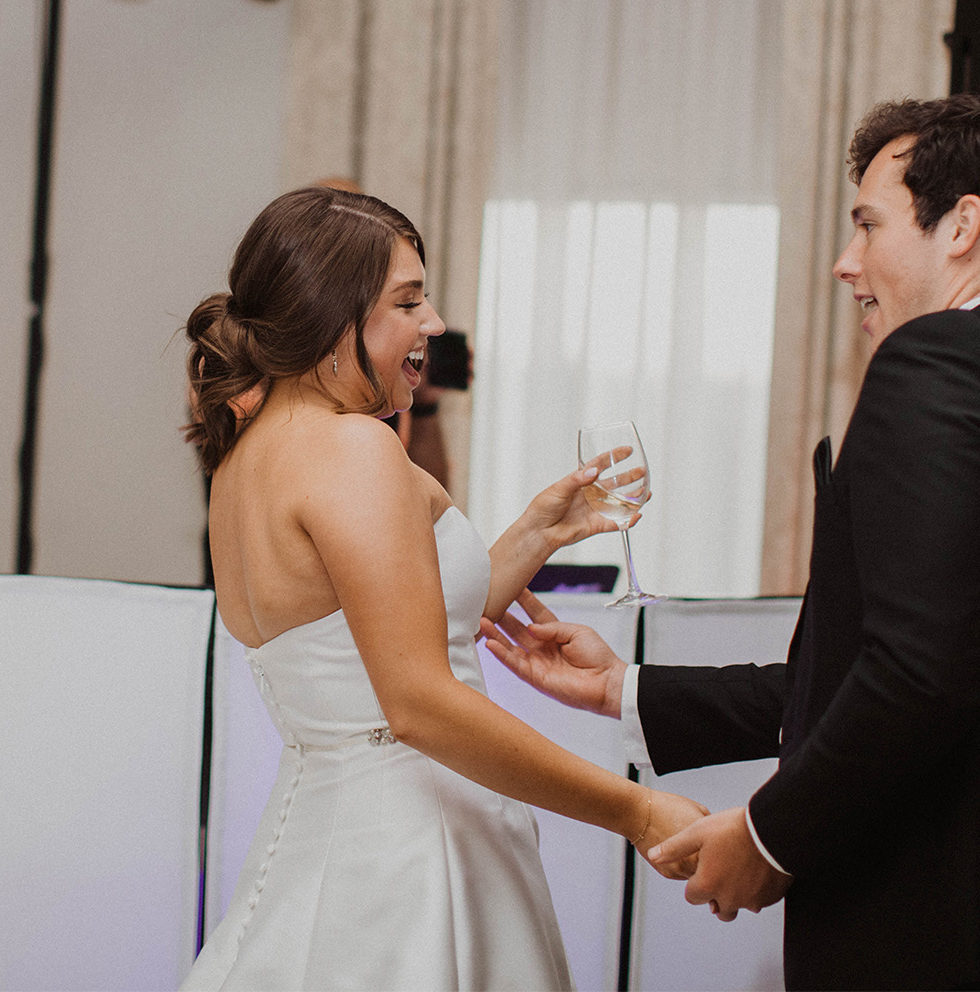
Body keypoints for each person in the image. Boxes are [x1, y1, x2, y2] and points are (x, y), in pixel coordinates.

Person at [484, 94, 980, 990]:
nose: (847, 265)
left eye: (869, 225)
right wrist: (626, 688)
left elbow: (923, 673)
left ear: (962, 225)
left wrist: (769, 836)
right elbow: (934, 663)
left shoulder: (940, 360)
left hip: (936, 926)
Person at [179, 185, 708, 990]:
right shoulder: (353, 449)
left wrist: (537, 530)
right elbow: (418, 701)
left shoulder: (246, 460)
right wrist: (635, 811)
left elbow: (374, 640)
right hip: (412, 847)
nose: (432, 324)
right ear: (333, 319)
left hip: (325, 833)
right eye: (409, 301)